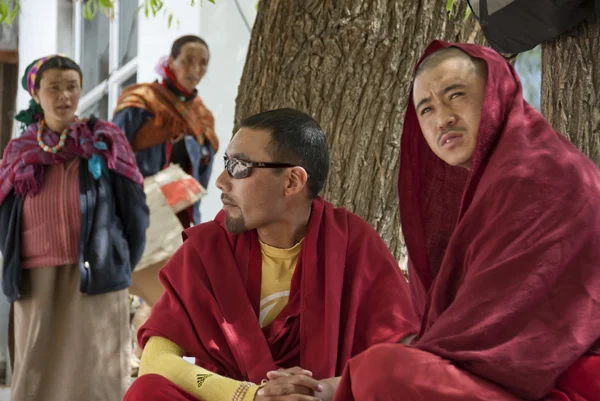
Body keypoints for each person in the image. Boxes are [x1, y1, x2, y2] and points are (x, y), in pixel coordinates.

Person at [332, 41, 600, 401]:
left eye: (455, 95)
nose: (442, 118)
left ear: (497, 93)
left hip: (567, 373)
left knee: (382, 371)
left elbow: (500, 336)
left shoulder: (542, 173)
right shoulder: (481, 194)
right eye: (425, 110)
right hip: (500, 373)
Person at [123, 108, 419, 401]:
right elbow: (156, 359)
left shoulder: (353, 246)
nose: (222, 182)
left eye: (240, 167)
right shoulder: (210, 249)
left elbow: (404, 362)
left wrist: (322, 391)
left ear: (292, 182)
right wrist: (250, 395)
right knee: (147, 392)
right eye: (227, 163)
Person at [0, 55, 149, 401]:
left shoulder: (104, 140)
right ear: (36, 94)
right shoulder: (19, 150)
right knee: (37, 372)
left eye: (72, 86)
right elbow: (5, 214)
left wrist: (119, 260)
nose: (64, 95)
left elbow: (134, 209)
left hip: (97, 274)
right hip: (35, 277)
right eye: (54, 87)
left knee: (96, 374)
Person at [113, 34, 218, 228]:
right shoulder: (142, 100)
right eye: (188, 61)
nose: (195, 70)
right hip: (139, 210)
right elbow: (112, 154)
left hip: (183, 214)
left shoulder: (203, 116)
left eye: (203, 63)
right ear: (171, 61)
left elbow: (201, 176)